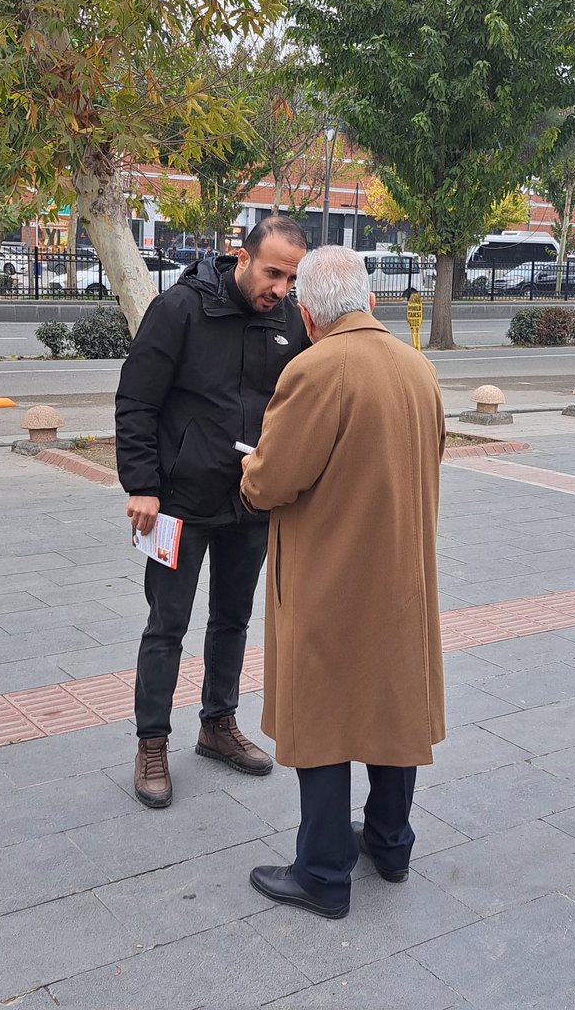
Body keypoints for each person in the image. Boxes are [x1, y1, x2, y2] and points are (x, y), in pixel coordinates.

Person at [240, 246, 446, 918]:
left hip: (330, 573)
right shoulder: (418, 368)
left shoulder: (315, 368)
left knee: (321, 713)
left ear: (307, 313)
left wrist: (250, 472)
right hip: (403, 570)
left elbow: (272, 479)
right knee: (392, 703)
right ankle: (389, 845)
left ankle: (323, 872)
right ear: (370, 301)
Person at [115, 216, 310, 808]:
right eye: (273, 272)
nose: (281, 288)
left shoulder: (287, 320)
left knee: (233, 619)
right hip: (177, 502)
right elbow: (137, 398)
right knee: (167, 625)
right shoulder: (180, 309)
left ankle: (217, 724)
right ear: (241, 257)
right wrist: (142, 485)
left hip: (250, 500)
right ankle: (152, 742)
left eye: (292, 277)